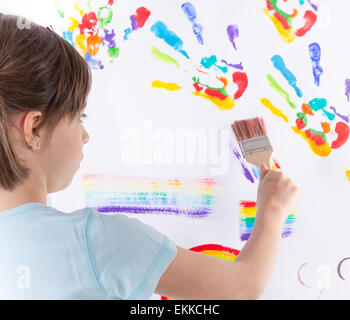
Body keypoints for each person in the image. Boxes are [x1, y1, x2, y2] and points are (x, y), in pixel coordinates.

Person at [0, 13, 299, 299]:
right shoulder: (94, 241)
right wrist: (272, 210)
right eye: (79, 116)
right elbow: (241, 288)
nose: (85, 135)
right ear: (35, 128)